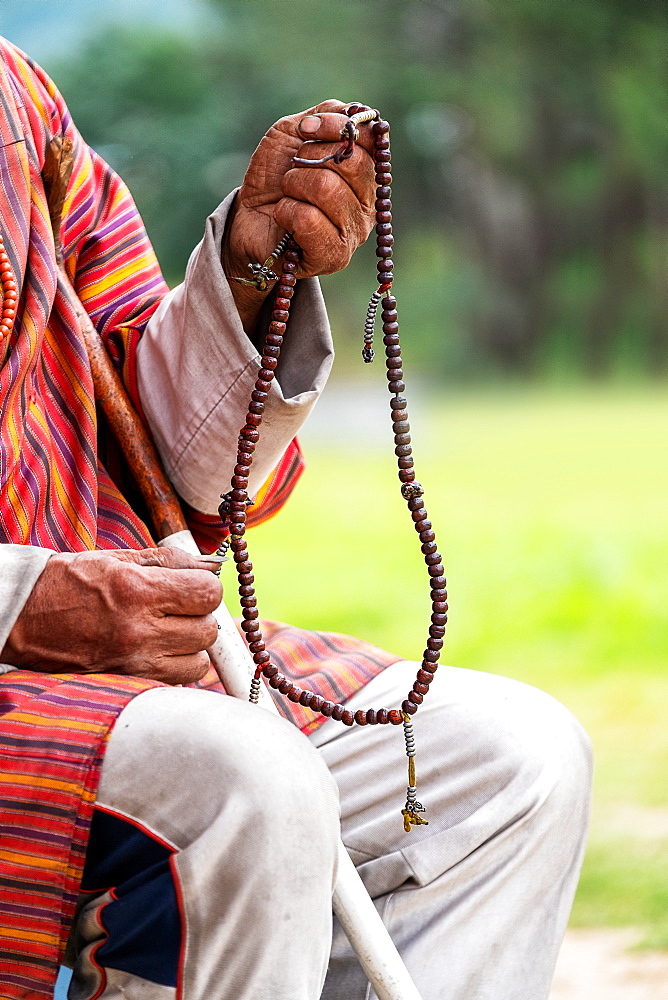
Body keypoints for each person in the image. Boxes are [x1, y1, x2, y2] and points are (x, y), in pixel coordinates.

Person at [0, 36, 592, 1000]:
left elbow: (164, 460)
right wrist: (24, 601)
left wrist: (250, 268)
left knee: (516, 760)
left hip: (113, 644)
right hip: (33, 657)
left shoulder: (14, 95)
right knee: (241, 783)